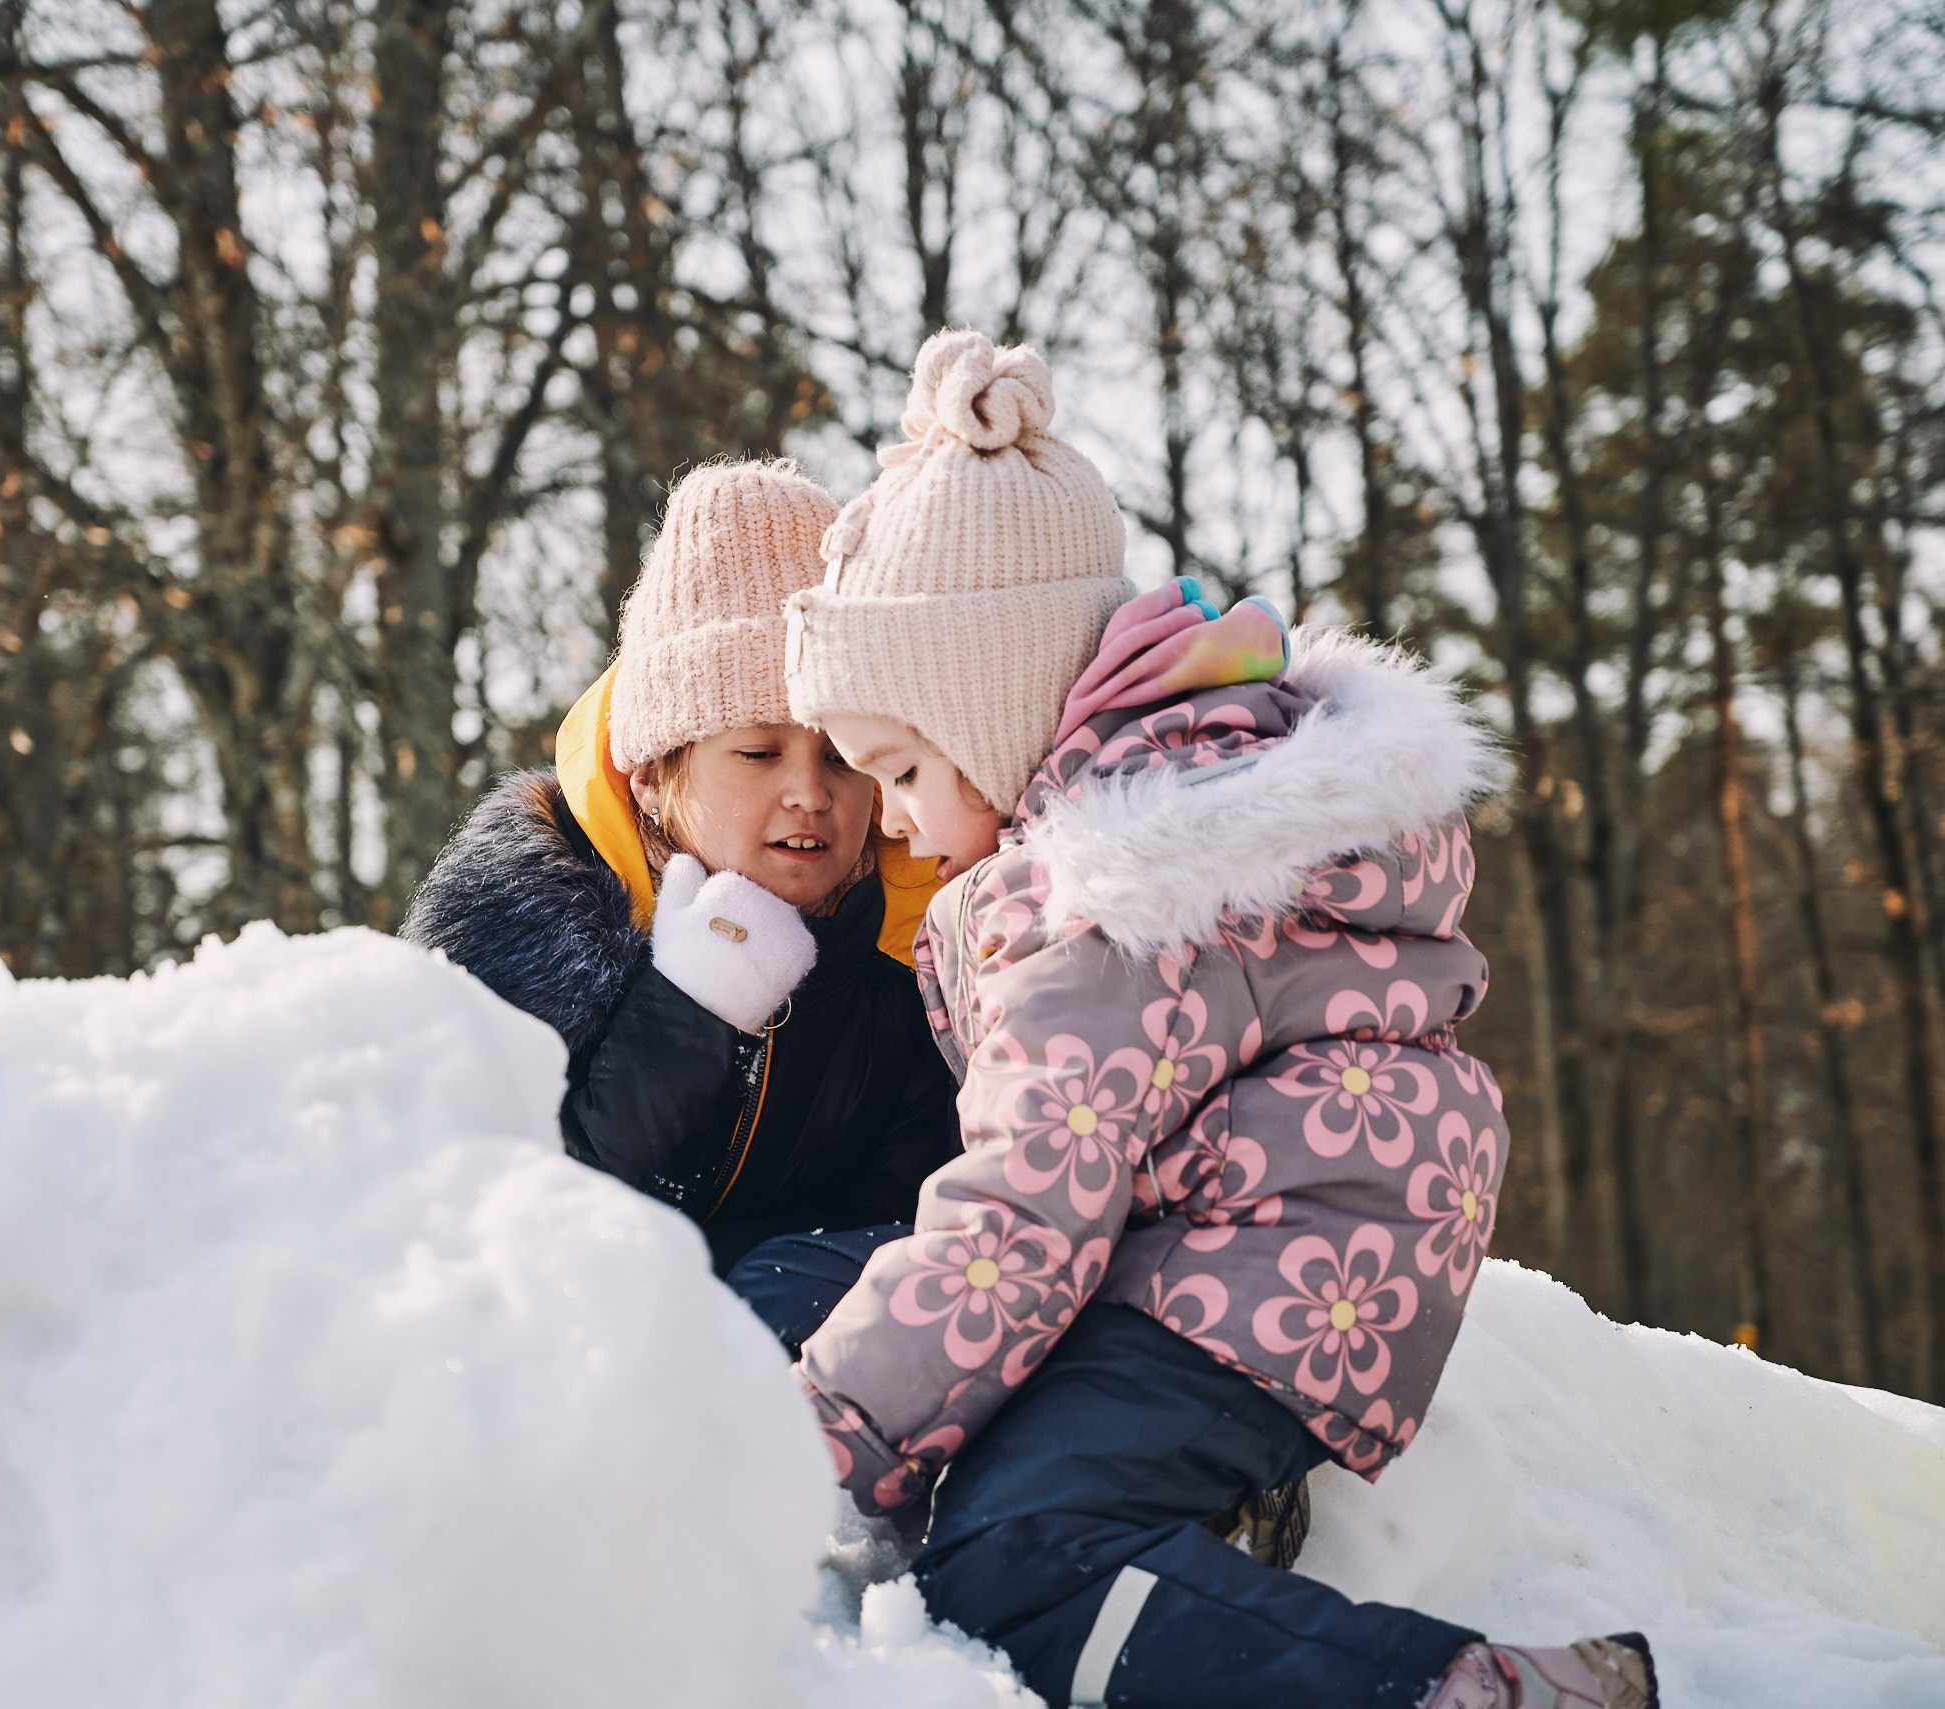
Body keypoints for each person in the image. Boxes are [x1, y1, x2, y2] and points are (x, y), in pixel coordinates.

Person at [775, 330, 1656, 1709]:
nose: (886, 815)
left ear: (993, 711)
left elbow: (1020, 1216)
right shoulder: (1174, 811)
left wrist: (823, 1440)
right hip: (1246, 1248)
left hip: (1262, 1286)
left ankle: (1452, 1691)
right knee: (867, 1347)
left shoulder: (1117, 899)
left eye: (900, 766)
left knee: (1012, 1551)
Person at [402, 460, 959, 1278]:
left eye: (842, 756)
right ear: (657, 772)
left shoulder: (912, 944)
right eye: (757, 752)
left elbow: (907, 1223)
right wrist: (691, 1007)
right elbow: (499, 1227)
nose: (809, 792)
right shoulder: (534, 921)